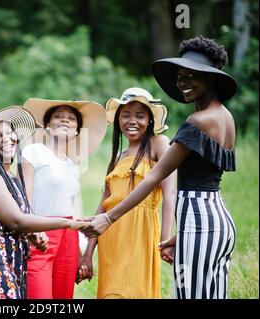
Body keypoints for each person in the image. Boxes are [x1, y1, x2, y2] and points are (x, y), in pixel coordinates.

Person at [80, 36, 238, 299]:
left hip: (201, 222)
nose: (182, 82)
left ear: (210, 78)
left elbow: (155, 176)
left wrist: (108, 218)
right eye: (180, 75)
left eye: (191, 75)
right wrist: (184, 231)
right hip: (214, 221)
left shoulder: (198, 120)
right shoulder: (225, 116)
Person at [0, 106, 86, 299]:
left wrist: (31, 235)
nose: (8, 139)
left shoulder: (11, 178)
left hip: (9, 259)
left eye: (10, 133)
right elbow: (17, 220)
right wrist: (67, 223)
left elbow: (10, 221)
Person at [76, 87, 176, 298]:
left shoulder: (158, 144)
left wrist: (164, 240)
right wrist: (87, 254)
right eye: (126, 115)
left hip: (140, 234)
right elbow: (104, 205)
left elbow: (170, 194)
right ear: (119, 119)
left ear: (150, 119)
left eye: (140, 115)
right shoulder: (117, 157)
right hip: (112, 237)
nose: (132, 121)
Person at [21, 98, 107, 299]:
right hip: (40, 231)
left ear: (77, 131)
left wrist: (78, 252)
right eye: (58, 117)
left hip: (68, 236)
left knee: (63, 295)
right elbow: (24, 198)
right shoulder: (34, 152)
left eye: (71, 119)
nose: (65, 120)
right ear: (47, 126)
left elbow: (71, 208)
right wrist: (35, 230)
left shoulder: (71, 164)